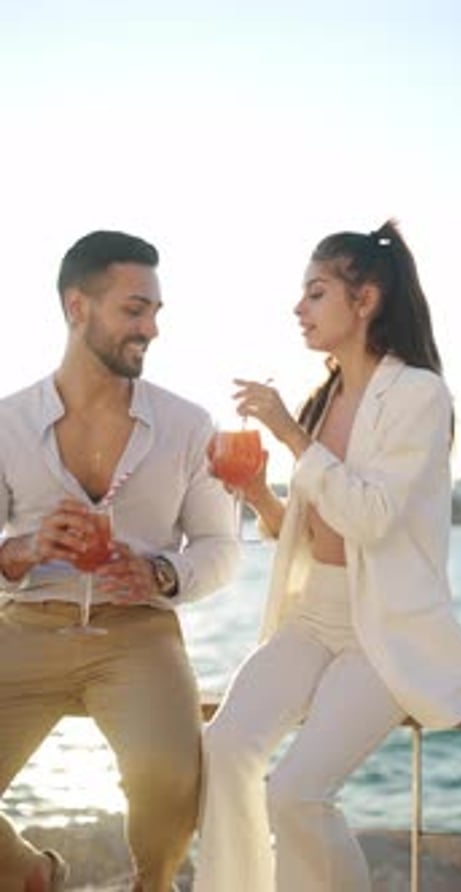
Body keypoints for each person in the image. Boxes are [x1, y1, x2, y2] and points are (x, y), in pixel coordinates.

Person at [193, 220, 461, 892]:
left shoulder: (419, 395)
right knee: (226, 747)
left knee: (297, 793)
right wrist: (257, 498)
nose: (298, 308)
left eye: (316, 292)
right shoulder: (322, 397)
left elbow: (371, 517)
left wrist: (290, 436)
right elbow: (306, 534)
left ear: (365, 301)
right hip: (312, 616)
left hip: (379, 630)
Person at [0, 230, 239, 892]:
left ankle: (152, 885)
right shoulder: (7, 423)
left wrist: (161, 574)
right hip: (23, 626)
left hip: (139, 632)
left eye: (156, 311)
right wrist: (21, 552)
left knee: (171, 776)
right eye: (135, 309)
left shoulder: (190, 425)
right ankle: (27, 874)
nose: (151, 328)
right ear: (78, 306)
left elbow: (222, 548)